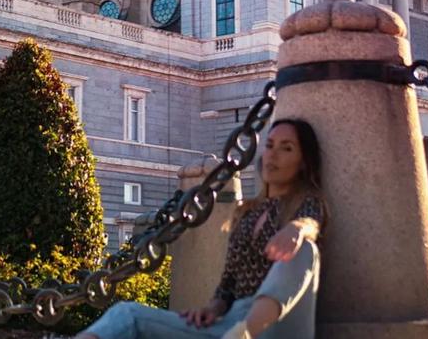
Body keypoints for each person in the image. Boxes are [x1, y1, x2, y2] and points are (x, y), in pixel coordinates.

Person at [76, 119, 325, 339]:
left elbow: (313, 222)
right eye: (270, 146)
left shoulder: (306, 207)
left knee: (303, 249)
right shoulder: (247, 212)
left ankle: (243, 334)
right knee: (127, 314)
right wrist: (211, 310)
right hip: (229, 324)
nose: (273, 155)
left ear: (303, 163)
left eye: (287, 148)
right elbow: (227, 285)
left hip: (279, 323)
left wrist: (297, 229)